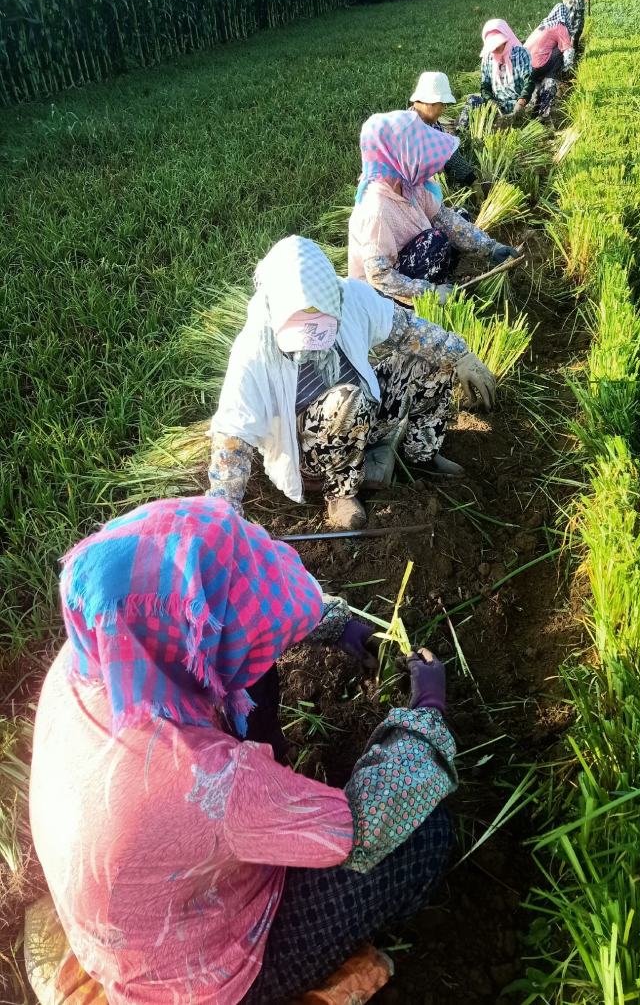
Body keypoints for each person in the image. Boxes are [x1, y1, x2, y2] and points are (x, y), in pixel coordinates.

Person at [29, 496, 457, 1004]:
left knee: (250, 679)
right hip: (201, 978)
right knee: (424, 835)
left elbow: (221, 607)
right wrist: (425, 713)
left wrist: (333, 624)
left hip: (128, 921)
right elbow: (364, 827)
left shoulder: (97, 656)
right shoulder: (218, 783)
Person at [206, 235, 497, 530]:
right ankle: (340, 492)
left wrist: (460, 355)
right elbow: (232, 436)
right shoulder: (253, 350)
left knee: (430, 360)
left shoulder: (352, 297)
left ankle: (420, 453)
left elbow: (408, 330)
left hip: (363, 415)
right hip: (313, 451)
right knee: (346, 400)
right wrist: (225, 514)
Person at [348, 110, 517, 304]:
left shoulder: (408, 185)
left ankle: (439, 280)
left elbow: (445, 219)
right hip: (382, 296)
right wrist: (429, 292)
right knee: (435, 240)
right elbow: (379, 276)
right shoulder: (375, 209)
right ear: (395, 155)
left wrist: (490, 247)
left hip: (411, 258)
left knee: (458, 216)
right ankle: (424, 301)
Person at [458, 19, 536, 128]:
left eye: (497, 44)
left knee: (530, 111)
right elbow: (485, 87)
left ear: (506, 40)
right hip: (497, 106)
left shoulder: (521, 54)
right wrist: (491, 102)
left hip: (518, 104)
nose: (494, 48)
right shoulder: (488, 58)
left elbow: (529, 81)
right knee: (472, 100)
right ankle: (460, 135)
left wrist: (521, 102)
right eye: (492, 46)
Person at [409, 71, 477, 190]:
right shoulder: (408, 129)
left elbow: (449, 153)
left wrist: (472, 180)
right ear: (429, 103)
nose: (443, 110)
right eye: (442, 105)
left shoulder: (434, 125)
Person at [523, 15, 575, 119]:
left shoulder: (542, 26)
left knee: (535, 83)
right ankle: (543, 112)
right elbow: (568, 52)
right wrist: (567, 70)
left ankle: (529, 113)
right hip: (539, 65)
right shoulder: (560, 26)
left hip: (525, 66)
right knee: (561, 51)